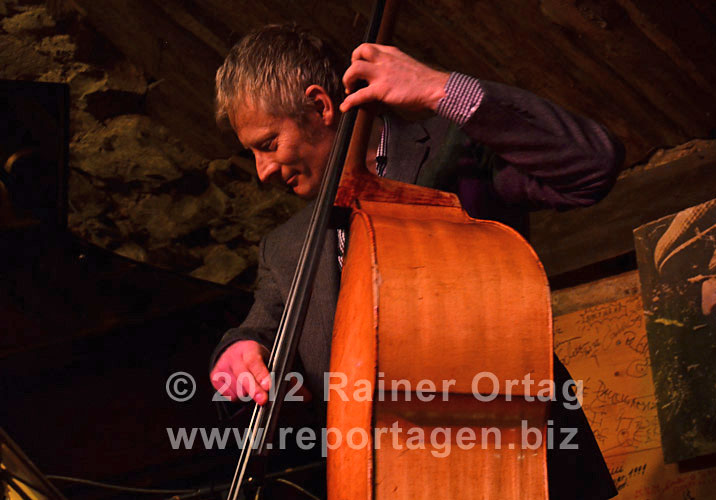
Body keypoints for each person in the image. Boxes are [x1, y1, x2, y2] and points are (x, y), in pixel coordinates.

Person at [210, 24, 623, 499]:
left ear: (321, 107)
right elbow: (254, 334)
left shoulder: (456, 149)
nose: (262, 171)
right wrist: (236, 354)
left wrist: (440, 89)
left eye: (268, 144)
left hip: (518, 469)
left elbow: (593, 167)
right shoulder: (285, 250)